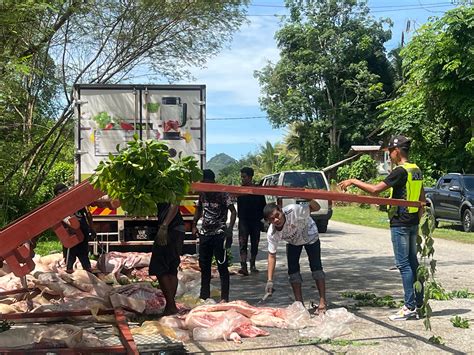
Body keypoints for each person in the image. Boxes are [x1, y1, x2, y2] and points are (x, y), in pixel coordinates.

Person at [338, 135, 425, 321]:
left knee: (404, 265)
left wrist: (353, 181)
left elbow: (376, 189)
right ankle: (419, 303)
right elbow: (422, 198)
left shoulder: (400, 171)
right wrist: (418, 222)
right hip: (412, 222)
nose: (390, 156)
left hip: (400, 222)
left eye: (391, 152)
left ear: (397, 151)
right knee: (413, 263)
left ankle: (409, 307)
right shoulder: (416, 170)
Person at [263, 199, 327, 314]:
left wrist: (309, 199)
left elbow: (316, 208)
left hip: (310, 235)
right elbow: (271, 256)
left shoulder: (294, 210)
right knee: (293, 271)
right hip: (293, 242)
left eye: (277, 215)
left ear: (281, 211)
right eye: (272, 219)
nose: (276, 220)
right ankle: (300, 304)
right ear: (268, 221)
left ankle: (322, 302)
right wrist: (270, 280)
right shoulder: (272, 233)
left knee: (316, 267)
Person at [192, 169, 236, 302]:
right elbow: (199, 209)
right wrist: (194, 224)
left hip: (219, 234)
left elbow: (233, 212)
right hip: (205, 234)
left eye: (205, 182)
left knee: (222, 266)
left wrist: (229, 229)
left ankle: (224, 298)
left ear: (211, 181)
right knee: (204, 267)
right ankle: (204, 296)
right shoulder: (203, 193)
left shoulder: (222, 193)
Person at [149, 202, 184, 316]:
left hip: (170, 229)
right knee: (171, 268)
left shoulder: (170, 187)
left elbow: (175, 204)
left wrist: (164, 226)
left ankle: (171, 305)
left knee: (159, 266)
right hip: (175, 228)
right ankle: (170, 307)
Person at [54, 183, 93, 273]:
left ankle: (89, 274)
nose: (65, 194)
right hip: (69, 233)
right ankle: (70, 272)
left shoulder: (76, 200)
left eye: (66, 191)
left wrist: (91, 228)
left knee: (83, 253)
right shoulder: (57, 205)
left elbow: (87, 214)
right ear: (57, 195)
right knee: (70, 255)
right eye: (62, 192)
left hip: (82, 230)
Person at [237, 167, 267, 275]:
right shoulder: (239, 190)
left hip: (255, 221)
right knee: (242, 243)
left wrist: (265, 220)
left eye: (244, 177)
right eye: (242, 177)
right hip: (243, 220)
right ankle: (243, 266)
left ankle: (252, 264)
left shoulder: (258, 190)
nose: (242, 179)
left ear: (250, 177)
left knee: (255, 243)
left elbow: (264, 206)